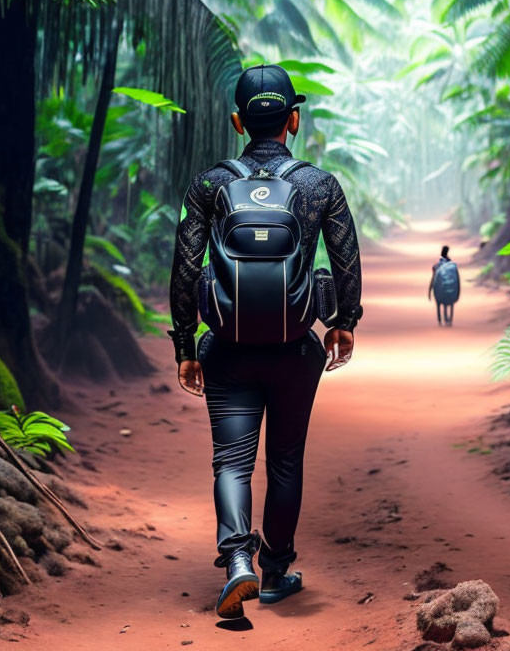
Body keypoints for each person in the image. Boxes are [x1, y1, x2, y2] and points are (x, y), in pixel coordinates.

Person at [168, 64, 363, 619]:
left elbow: (185, 268)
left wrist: (185, 344)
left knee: (230, 461)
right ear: (293, 119)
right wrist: (345, 322)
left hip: (226, 349)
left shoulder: (209, 184)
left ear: (237, 121)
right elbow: (345, 260)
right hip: (296, 350)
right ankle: (275, 571)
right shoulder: (319, 184)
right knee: (284, 459)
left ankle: (236, 564)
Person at [429, 245, 459, 326]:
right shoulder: (450, 263)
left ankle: (440, 320)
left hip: (439, 287)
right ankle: (448, 319)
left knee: (438, 303)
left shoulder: (438, 264)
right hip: (450, 285)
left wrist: (430, 289)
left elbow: (434, 277)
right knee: (448, 304)